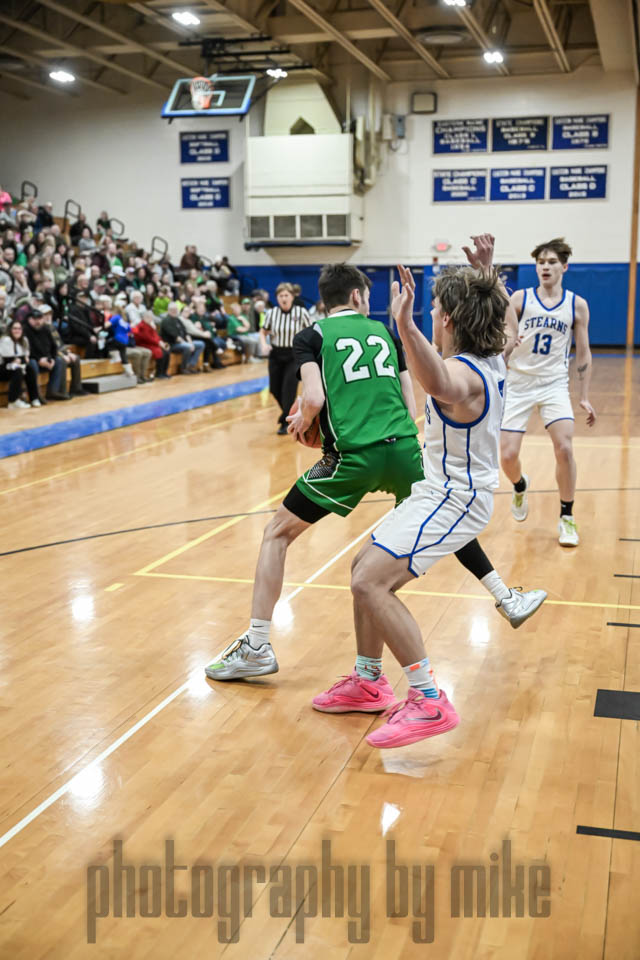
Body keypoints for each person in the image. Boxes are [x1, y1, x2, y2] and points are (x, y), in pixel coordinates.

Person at [204, 254, 545, 682]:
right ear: (357, 296)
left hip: (354, 457)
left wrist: (305, 422)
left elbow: (317, 398)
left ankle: (258, 644)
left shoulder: (314, 335)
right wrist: (486, 276)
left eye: (437, 309)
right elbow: (411, 397)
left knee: (281, 535)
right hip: (404, 447)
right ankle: (502, 595)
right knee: (427, 523)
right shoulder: (389, 334)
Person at [311, 237, 531, 748]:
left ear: (447, 320)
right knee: (362, 568)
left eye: (434, 310)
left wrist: (405, 325)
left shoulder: (465, 374)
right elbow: (503, 325)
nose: (429, 315)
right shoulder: (494, 355)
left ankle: (429, 699)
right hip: (438, 491)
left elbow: (438, 382)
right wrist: (487, 275)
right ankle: (369, 681)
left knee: (370, 582)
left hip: (457, 499)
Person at [500, 238, 595, 547]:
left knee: (564, 448)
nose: (545, 266)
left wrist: (584, 395)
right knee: (508, 456)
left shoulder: (576, 305)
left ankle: (567, 516)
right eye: (541, 262)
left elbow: (583, 352)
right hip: (519, 382)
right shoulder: (520, 299)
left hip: (554, 383)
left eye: (552, 262)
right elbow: (503, 337)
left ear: (564, 267)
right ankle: (519, 485)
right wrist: (508, 343)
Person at [260, 282, 312, 434]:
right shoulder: (272, 313)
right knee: (274, 389)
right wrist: (264, 344)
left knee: (288, 389)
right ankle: (291, 414)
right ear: (277, 298)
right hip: (276, 354)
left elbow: (310, 331)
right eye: (280, 296)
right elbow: (263, 331)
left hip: (293, 355)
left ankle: (285, 421)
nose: (283, 298)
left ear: (292, 297)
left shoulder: (301, 312)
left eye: (286, 295)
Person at [24, 309, 70, 400]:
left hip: (46, 359)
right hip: (33, 359)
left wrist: (51, 358)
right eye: (34, 319)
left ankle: (53, 391)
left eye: (40, 319)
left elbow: (53, 346)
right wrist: (38, 360)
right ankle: (36, 394)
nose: (38, 321)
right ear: (29, 319)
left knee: (59, 361)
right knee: (32, 363)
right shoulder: (25, 330)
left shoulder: (46, 329)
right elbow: (26, 350)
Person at [0, 318, 41, 408]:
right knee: (17, 370)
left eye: (19, 328)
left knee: (29, 369)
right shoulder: (6, 340)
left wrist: (19, 360)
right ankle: (13, 401)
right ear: (10, 330)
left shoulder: (24, 340)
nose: (17, 331)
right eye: (15, 328)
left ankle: (34, 398)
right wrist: (20, 360)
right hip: (2, 367)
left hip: (13, 366)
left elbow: (25, 359)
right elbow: (8, 359)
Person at [132, 311, 171, 379]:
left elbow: (155, 335)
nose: (151, 319)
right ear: (144, 317)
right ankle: (159, 373)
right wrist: (159, 343)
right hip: (145, 344)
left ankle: (164, 372)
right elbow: (147, 338)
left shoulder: (149, 325)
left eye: (151, 317)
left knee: (167, 352)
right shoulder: (141, 325)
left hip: (153, 343)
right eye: (149, 317)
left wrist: (161, 342)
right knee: (160, 352)